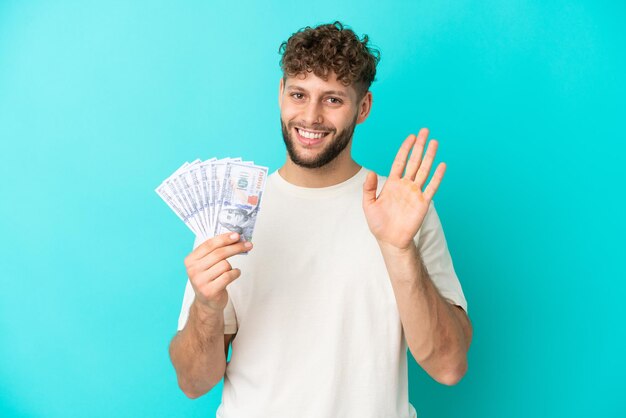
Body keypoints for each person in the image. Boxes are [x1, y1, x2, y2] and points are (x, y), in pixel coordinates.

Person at [168, 21, 472, 418]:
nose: (310, 117)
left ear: (363, 108)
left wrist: (399, 251)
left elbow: (448, 366)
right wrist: (207, 308)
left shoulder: (403, 211)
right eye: (299, 94)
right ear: (281, 94)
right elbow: (194, 384)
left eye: (332, 100)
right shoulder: (233, 211)